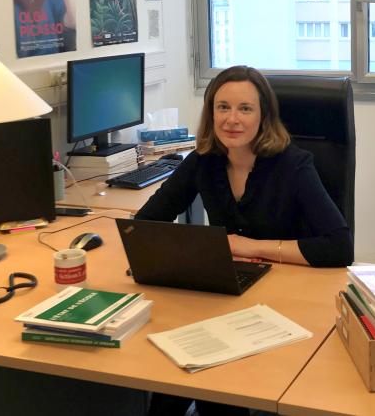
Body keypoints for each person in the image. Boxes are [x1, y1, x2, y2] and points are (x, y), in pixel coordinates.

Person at [137, 65, 353, 416]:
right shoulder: (203, 162)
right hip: (225, 293)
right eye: (222, 107)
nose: (231, 120)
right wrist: (195, 251)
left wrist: (248, 246)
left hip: (286, 301)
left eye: (245, 109)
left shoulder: (294, 166)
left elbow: (340, 246)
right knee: (170, 379)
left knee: (219, 388)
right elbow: (146, 223)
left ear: (263, 116)